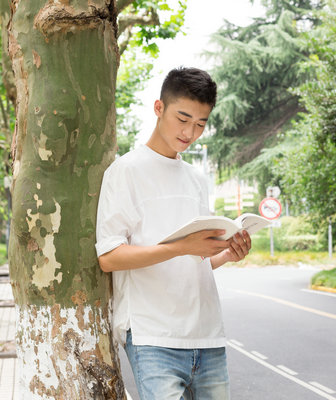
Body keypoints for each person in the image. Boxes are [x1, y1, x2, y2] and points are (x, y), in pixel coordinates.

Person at [95, 67, 251, 400]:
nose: (190, 132)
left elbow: (195, 260)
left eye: (200, 123)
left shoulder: (196, 179)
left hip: (207, 336)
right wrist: (181, 247)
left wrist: (227, 252)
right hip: (154, 337)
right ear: (158, 108)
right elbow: (109, 257)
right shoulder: (125, 171)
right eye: (183, 118)